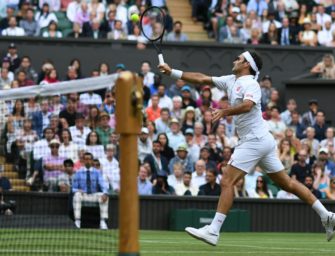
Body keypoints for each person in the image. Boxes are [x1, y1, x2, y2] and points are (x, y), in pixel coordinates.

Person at [158, 50, 335, 246]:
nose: (235, 60)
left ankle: (213, 230)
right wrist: (172, 72)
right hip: (262, 140)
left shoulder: (251, 83)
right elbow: (202, 79)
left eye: (239, 59)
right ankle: (326, 215)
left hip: (254, 141)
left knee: (226, 180)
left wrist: (224, 111)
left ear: (246, 65)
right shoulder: (230, 80)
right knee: (287, 184)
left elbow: (248, 105)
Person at [72, 152, 109, 229]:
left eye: (89, 159)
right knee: (76, 195)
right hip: (83, 195)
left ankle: (103, 221)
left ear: (92, 161)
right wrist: (78, 190)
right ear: (83, 161)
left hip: (94, 195)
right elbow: (73, 188)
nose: (87, 161)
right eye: (85, 159)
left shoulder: (97, 172)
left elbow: (103, 184)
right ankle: (77, 221)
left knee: (104, 196)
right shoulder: (78, 172)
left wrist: (105, 193)